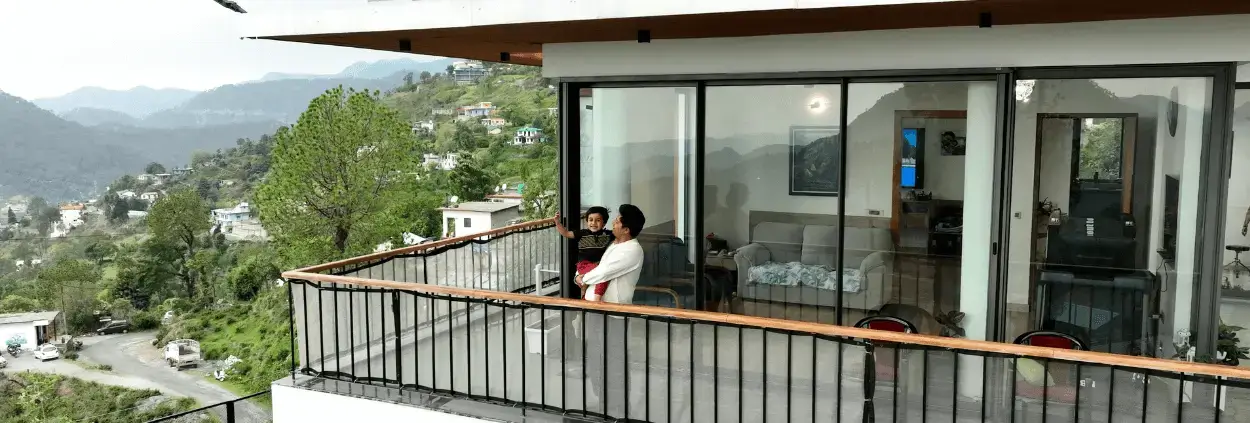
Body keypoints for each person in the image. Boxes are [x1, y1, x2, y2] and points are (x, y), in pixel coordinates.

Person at [576, 204, 645, 418]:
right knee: (596, 358)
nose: (613, 223)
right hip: (596, 309)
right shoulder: (614, 244)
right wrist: (580, 276)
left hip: (613, 314)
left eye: (617, 220)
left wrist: (581, 278)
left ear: (626, 229)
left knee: (614, 362)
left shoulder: (632, 250)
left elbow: (603, 272)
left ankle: (617, 408)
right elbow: (594, 267)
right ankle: (603, 404)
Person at [554, 207, 614, 300]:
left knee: (601, 276)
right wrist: (557, 223)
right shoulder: (582, 233)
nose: (593, 223)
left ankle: (585, 294)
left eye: (598, 220)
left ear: (604, 223)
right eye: (590, 220)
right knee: (602, 274)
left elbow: (620, 235)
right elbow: (566, 233)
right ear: (587, 221)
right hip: (584, 264)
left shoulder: (608, 234)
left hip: (598, 264)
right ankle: (595, 298)